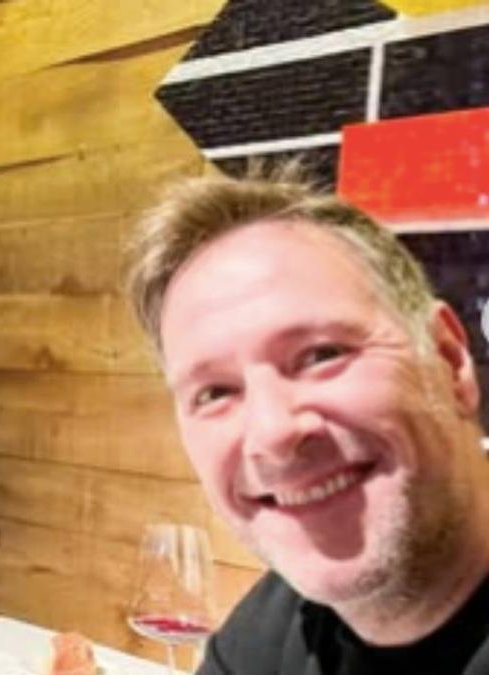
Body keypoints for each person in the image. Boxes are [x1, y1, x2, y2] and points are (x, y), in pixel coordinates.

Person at [125, 167, 489, 674]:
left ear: (449, 361)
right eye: (215, 393)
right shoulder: (263, 640)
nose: (273, 433)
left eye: (321, 355)